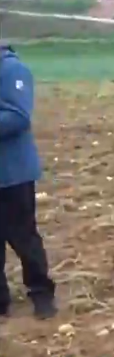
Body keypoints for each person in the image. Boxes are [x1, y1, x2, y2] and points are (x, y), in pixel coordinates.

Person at [0, 42, 56, 319]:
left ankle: (41, 294)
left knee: (23, 237)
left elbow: (18, 116)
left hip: (12, 173)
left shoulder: (12, 69)